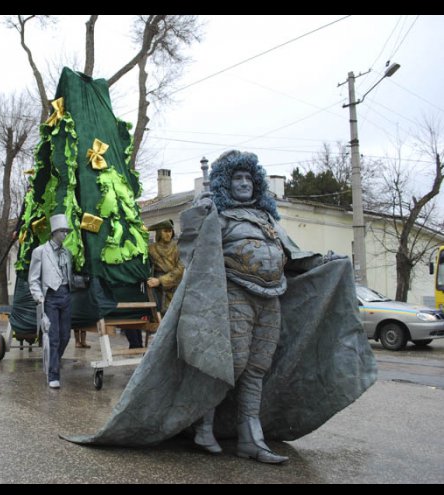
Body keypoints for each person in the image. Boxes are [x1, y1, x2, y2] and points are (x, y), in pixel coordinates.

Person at [64, 150, 377, 464]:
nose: (244, 184)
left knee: (257, 368)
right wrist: (200, 213)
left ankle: (250, 438)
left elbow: (292, 255)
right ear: (227, 182)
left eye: (248, 178)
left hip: (270, 299)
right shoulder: (218, 214)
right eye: (237, 178)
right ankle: (203, 425)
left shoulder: (267, 219)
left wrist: (326, 262)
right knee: (230, 364)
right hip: (233, 296)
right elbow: (192, 248)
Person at [28, 214, 75, 389]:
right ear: (54, 232)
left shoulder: (67, 253)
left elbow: (69, 275)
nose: (65, 234)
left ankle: (53, 361)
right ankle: (53, 374)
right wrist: (39, 297)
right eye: (62, 231)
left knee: (65, 335)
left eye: (66, 231)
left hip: (66, 295)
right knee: (53, 337)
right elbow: (33, 278)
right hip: (50, 297)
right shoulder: (40, 251)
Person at [122, 219, 185, 349]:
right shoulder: (150, 249)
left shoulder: (178, 248)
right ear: (159, 233)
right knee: (154, 321)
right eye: (165, 231)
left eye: (170, 231)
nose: (168, 234)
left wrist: (161, 281)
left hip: (174, 289)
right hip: (155, 291)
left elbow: (180, 269)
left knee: (175, 323)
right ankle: (142, 348)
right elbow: (144, 267)